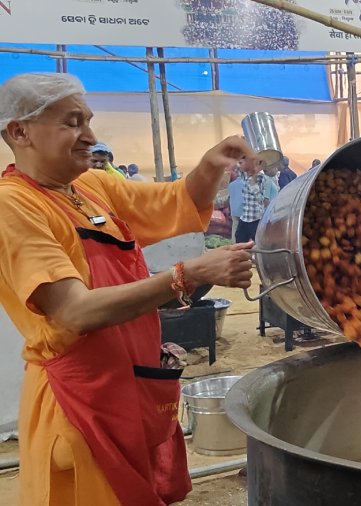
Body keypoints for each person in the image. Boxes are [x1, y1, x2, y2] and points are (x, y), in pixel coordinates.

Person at [0, 72, 255, 505]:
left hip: (132, 384)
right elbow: (75, 311)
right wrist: (186, 275)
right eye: (72, 123)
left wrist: (212, 164)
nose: (90, 137)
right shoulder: (14, 205)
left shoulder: (89, 187)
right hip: (81, 402)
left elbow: (171, 203)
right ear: (19, 131)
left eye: (89, 121)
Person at [235, 156, 274, 244]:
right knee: (239, 240)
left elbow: (260, 199)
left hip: (255, 218)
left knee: (260, 243)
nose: (240, 165)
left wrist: (254, 179)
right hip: (245, 217)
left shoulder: (262, 178)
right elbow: (236, 165)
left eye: (242, 162)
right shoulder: (244, 175)